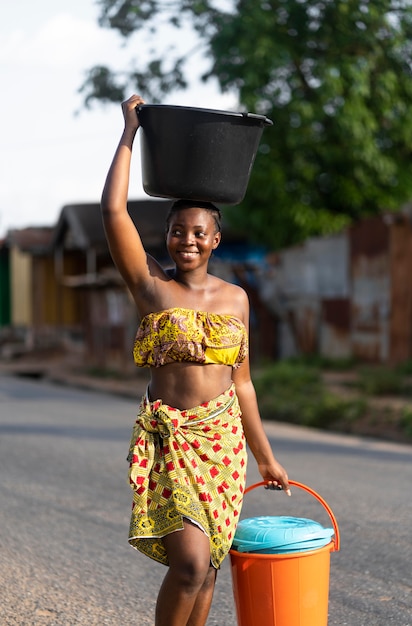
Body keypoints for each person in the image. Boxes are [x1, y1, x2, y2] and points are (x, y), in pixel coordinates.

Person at [101, 94, 291, 626]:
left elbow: (244, 385)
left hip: (223, 442)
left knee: (208, 569)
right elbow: (113, 211)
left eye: (198, 232)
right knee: (188, 563)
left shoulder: (237, 299)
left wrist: (265, 456)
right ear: (166, 237)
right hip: (173, 440)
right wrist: (129, 133)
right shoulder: (152, 287)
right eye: (177, 231)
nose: (186, 240)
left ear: (216, 240)